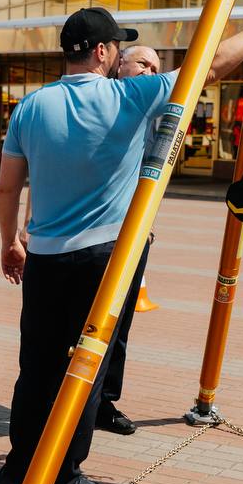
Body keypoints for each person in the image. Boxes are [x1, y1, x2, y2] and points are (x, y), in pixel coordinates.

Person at [0, 0, 243, 484]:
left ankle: (17, 471)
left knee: (37, 366)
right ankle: (62, 479)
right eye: (116, 45)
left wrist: (10, 241)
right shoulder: (131, 96)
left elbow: (7, 188)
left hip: (44, 258)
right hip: (104, 259)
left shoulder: (30, 107)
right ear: (102, 52)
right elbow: (212, 64)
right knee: (86, 368)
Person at [92, 44, 164, 436]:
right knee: (85, 320)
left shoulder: (152, 113)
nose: (150, 73)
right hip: (91, 234)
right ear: (119, 63)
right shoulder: (100, 102)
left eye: (156, 68)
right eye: (143, 64)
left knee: (119, 324)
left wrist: (145, 221)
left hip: (133, 232)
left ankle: (103, 403)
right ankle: (69, 399)